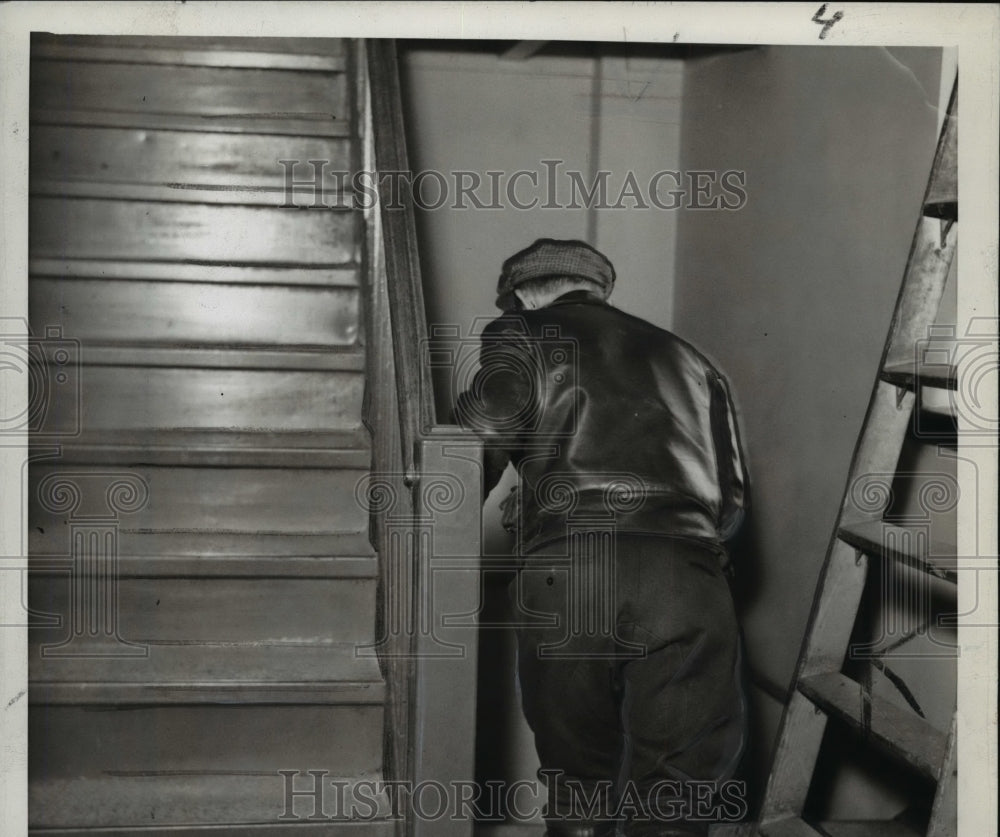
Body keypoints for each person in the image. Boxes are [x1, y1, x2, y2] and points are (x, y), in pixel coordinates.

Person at [452, 239, 750, 837]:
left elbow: (474, 448)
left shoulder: (522, 333)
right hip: (686, 575)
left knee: (579, 788)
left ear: (523, 294)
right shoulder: (690, 357)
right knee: (677, 797)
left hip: (569, 574)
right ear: (596, 289)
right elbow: (732, 499)